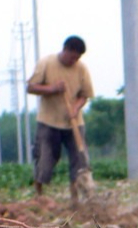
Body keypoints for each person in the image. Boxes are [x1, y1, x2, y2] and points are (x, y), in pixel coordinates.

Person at [25, 35, 95, 198]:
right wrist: (52, 89)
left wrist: (76, 108)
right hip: (48, 122)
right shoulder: (46, 63)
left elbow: (85, 95)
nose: (74, 61)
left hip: (74, 124)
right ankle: (39, 195)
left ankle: (76, 196)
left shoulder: (81, 69)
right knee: (45, 159)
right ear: (65, 50)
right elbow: (31, 87)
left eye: (77, 58)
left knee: (79, 159)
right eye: (72, 57)